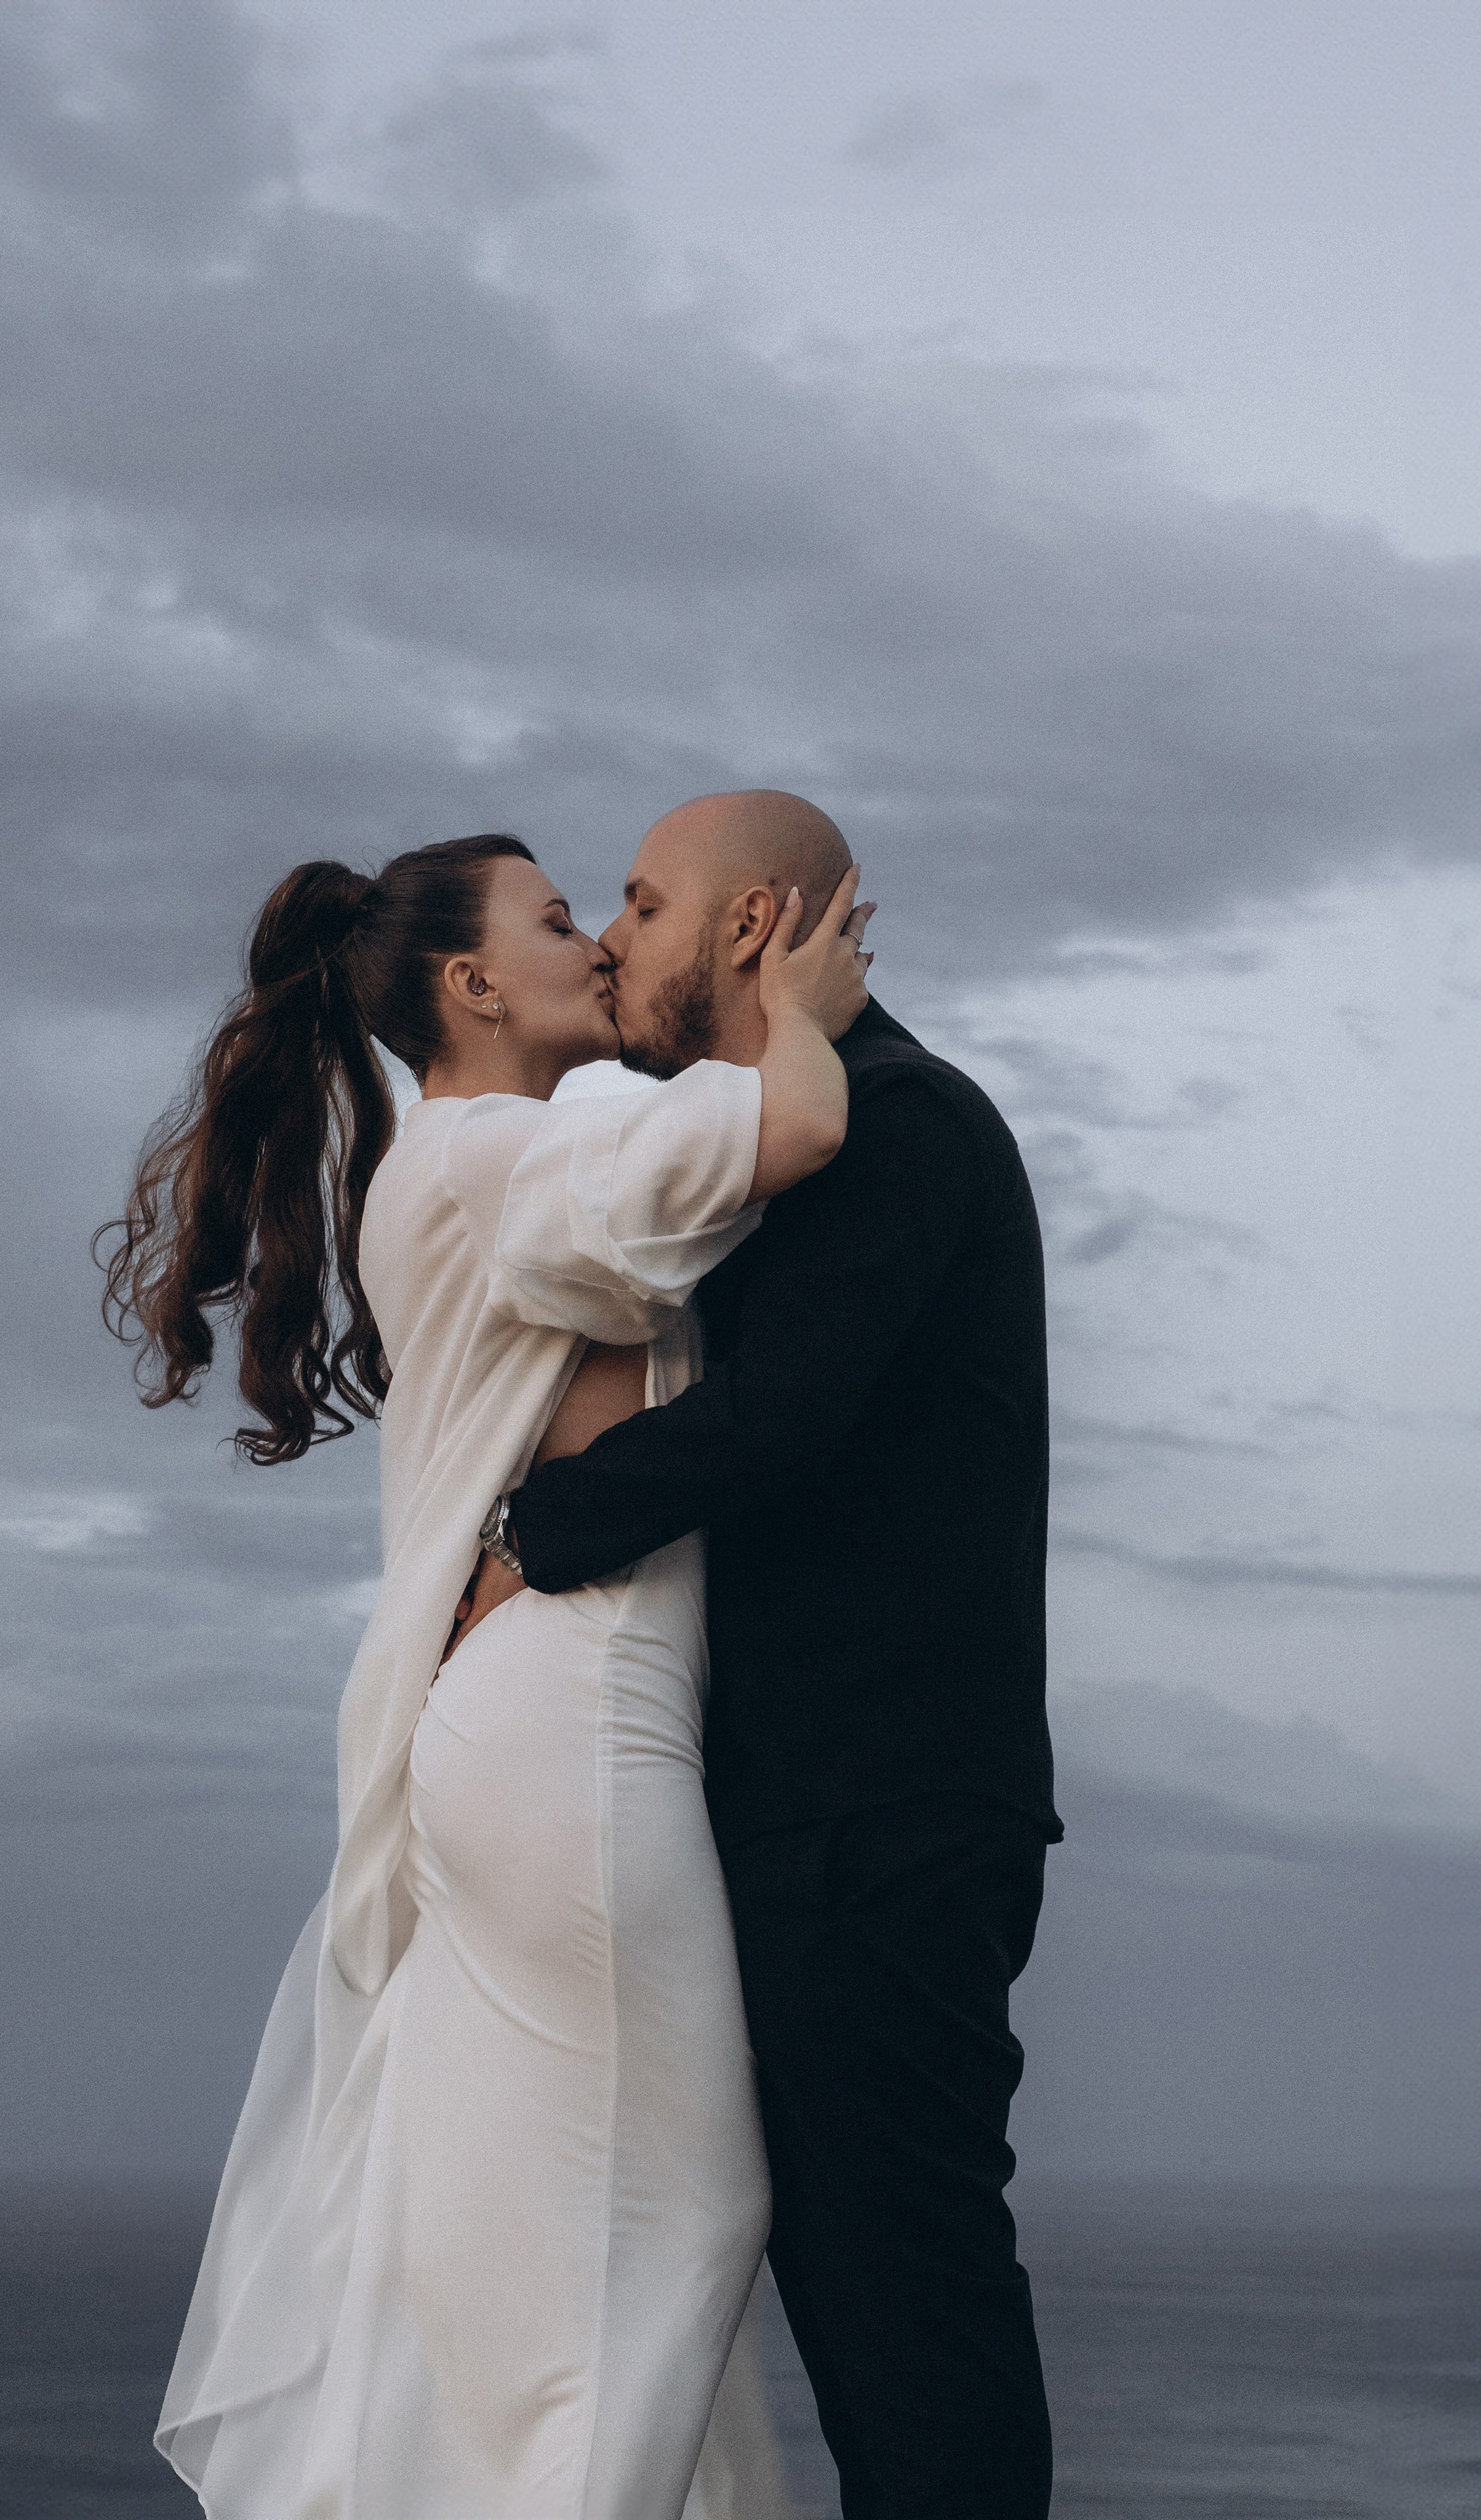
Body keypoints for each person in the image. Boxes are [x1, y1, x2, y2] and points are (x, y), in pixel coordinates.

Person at [96, 830, 871, 2519]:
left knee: (534, 2242)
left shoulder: (465, 1163)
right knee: (684, 2213)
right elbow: (795, 1127)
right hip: (567, 1718)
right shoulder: (495, 1155)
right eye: (556, 918)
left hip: (528, 1718)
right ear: (471, 986)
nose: (593, 940)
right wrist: (800, 1007)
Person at [464, 790, 1063, 2520]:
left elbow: (778, 1423)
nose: (611, 942)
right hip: (830, 1810)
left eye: (641, 905)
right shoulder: (799, 1134)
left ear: (747, 927)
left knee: (909, 2300)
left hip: (878, 1818)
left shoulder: (903, 1121)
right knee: (866, 2302)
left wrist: (514, 1535)